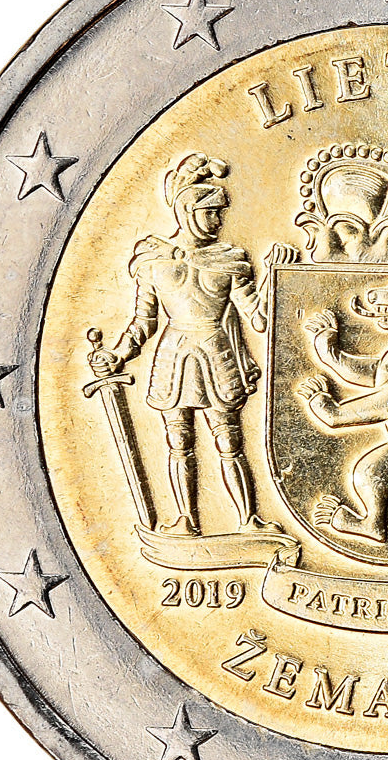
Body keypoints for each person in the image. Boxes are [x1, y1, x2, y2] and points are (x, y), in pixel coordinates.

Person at [90, 152, 289, 536]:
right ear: (186, 211)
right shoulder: (152, 261)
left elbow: (259, 318)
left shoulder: (230, 260)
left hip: (217, 352)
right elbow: (144, 321)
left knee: (229, 440)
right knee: (178, 441)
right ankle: (187, 520)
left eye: (220, 213)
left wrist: (271, 274)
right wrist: (117, 354)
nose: (218, 221)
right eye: (211, 213)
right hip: (173, 354)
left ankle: (248, 520)